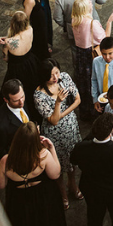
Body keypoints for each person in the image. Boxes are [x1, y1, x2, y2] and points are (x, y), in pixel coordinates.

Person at [0, 122, 68, 226]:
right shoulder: (42, 155)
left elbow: (1, 185)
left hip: (20, 202)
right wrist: (51, 148)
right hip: (44, 198)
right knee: (53, 225)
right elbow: (55, 174)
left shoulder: (6, 161)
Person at [32, 59, 80, 208]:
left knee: (71, 162)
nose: (55, 77)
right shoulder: (39, 95)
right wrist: (58, 102)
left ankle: (73, 186)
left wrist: (62, 114)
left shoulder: (64, 77)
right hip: (54, 134)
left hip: (71, 127)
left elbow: (78, 100)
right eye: (51, 75)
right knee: (58, 165)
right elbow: (52, 121)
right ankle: (63, 194)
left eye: (57, 72)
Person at [68, 0, 106, 121]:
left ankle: (85, 111)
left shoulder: (75, 20)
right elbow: (104, 38)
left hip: (80, 54)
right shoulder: (92, 23)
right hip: (90, 55)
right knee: (93, 83)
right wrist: (109, 22)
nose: (91, 3)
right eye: (88, 3)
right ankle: (95, 111)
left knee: (83, 82)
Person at [0, 11, 41, 109]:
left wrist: (4, 42)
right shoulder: (30, 29)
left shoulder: (8, 42)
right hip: (31, 63)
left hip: (16, 69)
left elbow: (6, 59)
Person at [0, 80, 30, 165]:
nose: (21, 102)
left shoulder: (20, 101)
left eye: (22, 97)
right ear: (6, 100)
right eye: (16, 100)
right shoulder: (0, 125)